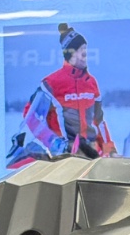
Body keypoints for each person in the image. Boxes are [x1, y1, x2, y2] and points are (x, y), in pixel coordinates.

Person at [20, 24, 116, 159]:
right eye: (80, 49)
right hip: (65, 158)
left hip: (93, 155)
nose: (85, 53)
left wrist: (110, 150)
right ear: (70, 53)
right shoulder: (51, 83)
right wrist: (53, 142)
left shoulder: (91, 82)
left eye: (85, 49)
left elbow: (99, 121)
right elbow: (30, 116)